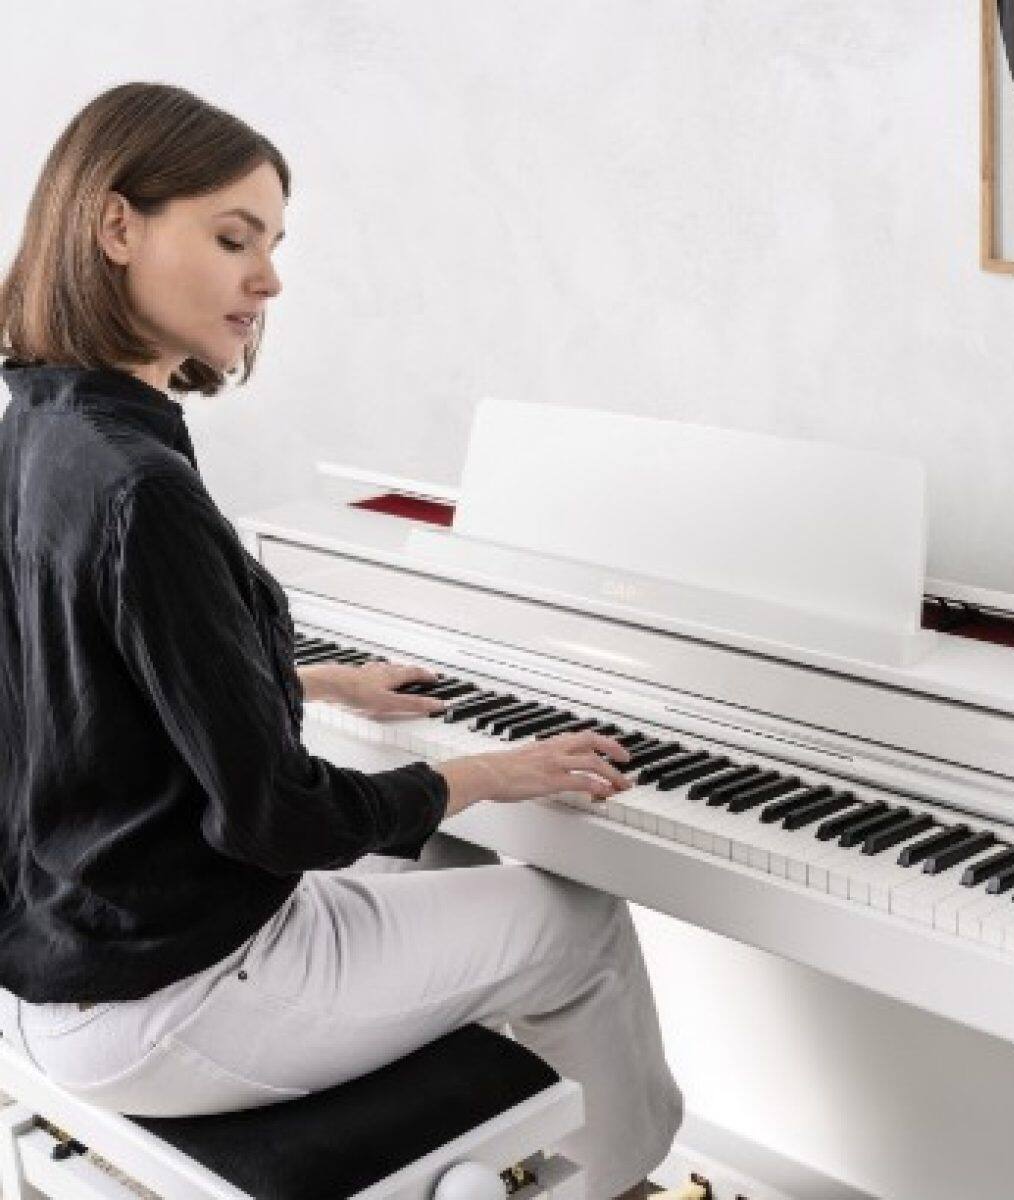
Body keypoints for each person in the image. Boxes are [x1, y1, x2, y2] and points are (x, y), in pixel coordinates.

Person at [0, 82, 682, 1200]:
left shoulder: (41, 426)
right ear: (115, 226)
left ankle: (493, 1154)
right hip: (173, 993)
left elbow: (82, 676)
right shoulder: (138, 486)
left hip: (61, 963)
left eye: (272, 243)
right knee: (584, 923)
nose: (268, 279)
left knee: (452, 858)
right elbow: (274, 816)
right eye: (233, 238)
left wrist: (305, 679)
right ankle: (618, 1182)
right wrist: (484, 769)